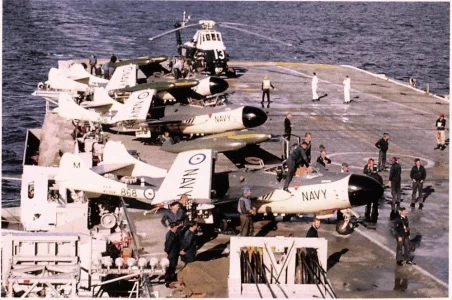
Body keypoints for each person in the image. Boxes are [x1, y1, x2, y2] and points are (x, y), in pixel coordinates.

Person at [363, 158, 383, 222]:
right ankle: (373, 215)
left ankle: (368, 215)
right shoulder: (367, 167)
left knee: (369, 203)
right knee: (374, 204)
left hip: (369, 190)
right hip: (375, 192)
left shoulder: (374, 168)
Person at [164, 222, 181, 287]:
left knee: (171, 267)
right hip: (172, 254)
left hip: (173, 253)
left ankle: (170, 279)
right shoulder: (172, 235)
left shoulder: (170, 233)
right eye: (176, 226)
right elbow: (169, 244)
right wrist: (166, 251)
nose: (177, 227)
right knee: (171, 267)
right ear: (173, 227)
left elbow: (166, 243)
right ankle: (169, 281)